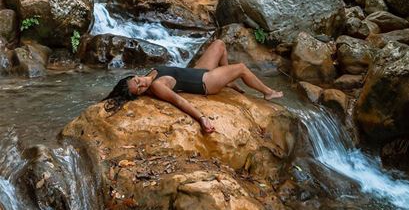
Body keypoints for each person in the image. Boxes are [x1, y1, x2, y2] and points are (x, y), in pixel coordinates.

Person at [103, 39, 283, 134]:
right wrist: (202, 118)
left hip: (197, 71)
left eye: (137, 82)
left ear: (134, 76)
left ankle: (227, 79)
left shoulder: (150, 73)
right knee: (242, 68)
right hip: (206, 82)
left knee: (219, 44)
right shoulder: (157, 86)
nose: (142, 85)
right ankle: (268, 93)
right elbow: (179, 101)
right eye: (140, 90)